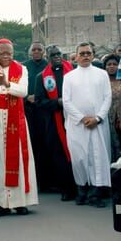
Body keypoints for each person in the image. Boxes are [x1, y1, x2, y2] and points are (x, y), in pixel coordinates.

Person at [0, 38, 38, 217]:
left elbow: (24, 91)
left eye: (9, 53)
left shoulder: (21, 69)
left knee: (17, 159)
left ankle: (19, 202)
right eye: (2, 53)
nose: (6, 57)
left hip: (14, 119)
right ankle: (2, 203)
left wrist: (7, 85)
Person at [63, 42, 112, 208]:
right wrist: (83, 118)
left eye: (88, 53)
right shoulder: (68, 77)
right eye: (82, 53)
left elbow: (107, 98)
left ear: (92, 55)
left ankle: (96, 194)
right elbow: (67, 102)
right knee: (80, 158)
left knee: (98, 157)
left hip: (98, 124)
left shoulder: (102, 74)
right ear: (76, 56)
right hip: (78, 125)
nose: (85, 56)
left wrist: (98, 118)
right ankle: (81, 191)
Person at [34, 44, 76, 200]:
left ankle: (81, 187)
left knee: (76, 153)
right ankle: (66, 189)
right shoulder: (41, 77)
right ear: (48, 58)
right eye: (53, 55)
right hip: (54, 121)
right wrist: (57, 102)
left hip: (74, 118)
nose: (57, 56)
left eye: (59, 53)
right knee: (59, 156)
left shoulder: (73, 71)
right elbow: (39, 101)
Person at [23, 42, 48, 191]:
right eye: (34, 50)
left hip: (44, 110)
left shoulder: (48, 65)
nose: (37, 52)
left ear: (44, 52)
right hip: (28, 110)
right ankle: (33, 181)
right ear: (30, 52)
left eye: (40, 49)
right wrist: (27, 97)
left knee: (46, 144)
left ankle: (47, 181)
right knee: (31, 145)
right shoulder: (24, 67)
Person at [103, 53, 121, 161]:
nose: (112, 66)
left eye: (114, 64)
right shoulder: (102, 82)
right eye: (109, 64)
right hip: (108, 118)